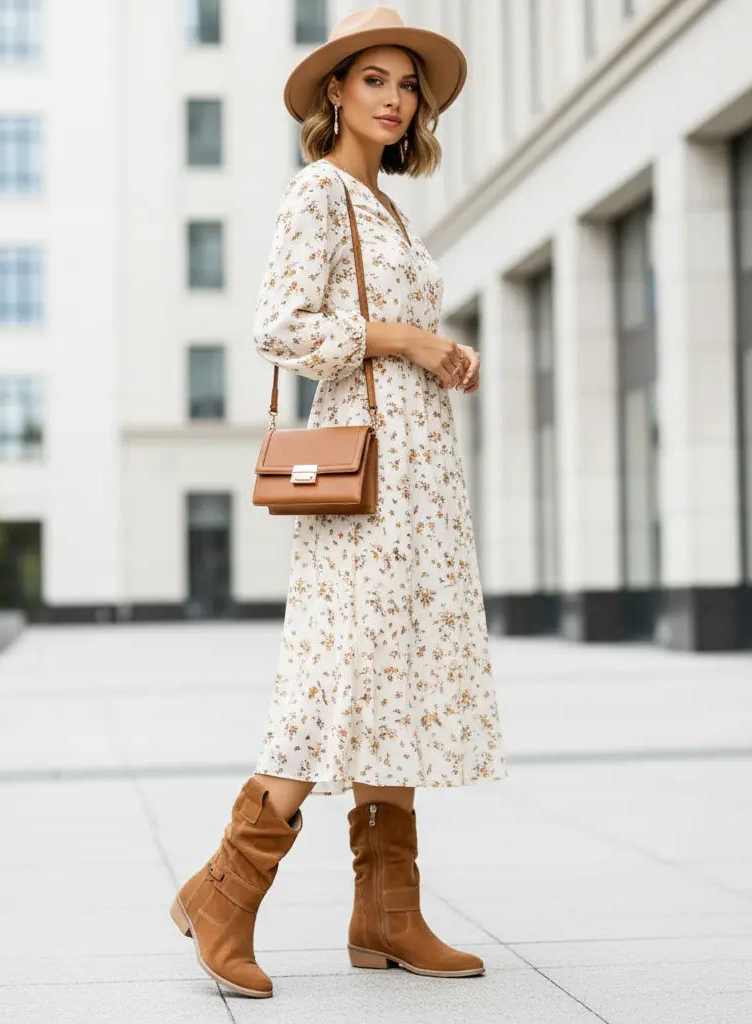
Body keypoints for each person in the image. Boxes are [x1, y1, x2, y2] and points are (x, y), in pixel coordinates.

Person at [169, 6, 507, 999]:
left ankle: (387, 916)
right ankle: (224, 891)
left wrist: (442, 351)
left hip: (418, 478)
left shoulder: (384, 207)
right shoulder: (318, 192)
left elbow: (381, 322)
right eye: (375, 81)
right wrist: (403, 340)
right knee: (338, 678)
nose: (396, 99)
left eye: (408, 85)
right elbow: (280, 322)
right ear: (335, 93)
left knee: (392, 680)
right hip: (361, 475)